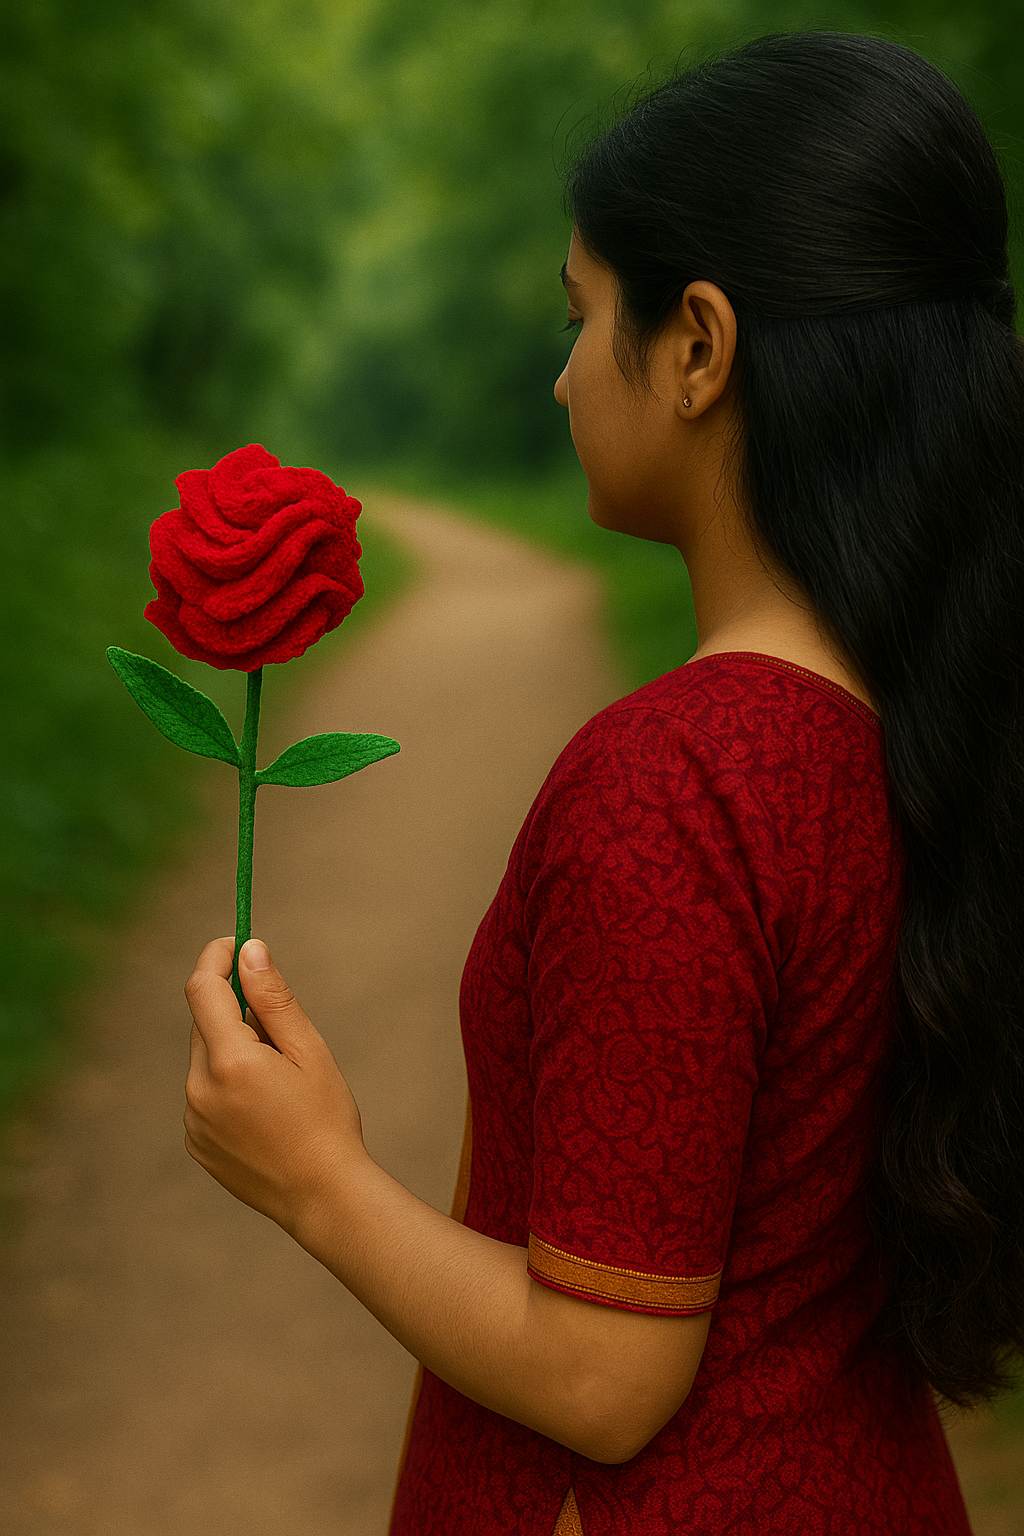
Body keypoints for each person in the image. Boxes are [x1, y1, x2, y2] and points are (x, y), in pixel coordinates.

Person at [182, 30, 1024, 1535]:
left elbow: (601, 1376)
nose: (564, 376)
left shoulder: (678, 782)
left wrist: (313, 1174)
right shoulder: (929, 729)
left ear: (699, 345)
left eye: (582, 317)